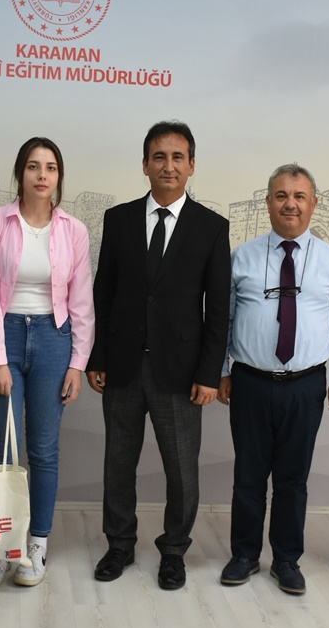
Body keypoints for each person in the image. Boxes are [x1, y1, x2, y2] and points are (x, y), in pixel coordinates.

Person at [86, 120, 230, 591]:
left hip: (182, 372)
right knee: (118, 463)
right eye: (159, 157)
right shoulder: (119, 219)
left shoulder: (212, 227)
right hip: (122, 365)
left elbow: (218, 310)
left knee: (182, 470)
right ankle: (119, 545)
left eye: (178, 157)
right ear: (145, 164)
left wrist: (210, 373)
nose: (169, 166)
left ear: (192, 165)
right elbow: (103, 293)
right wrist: (97, 357)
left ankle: (174, 551)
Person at [217, 164, 329, 594]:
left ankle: (286, 559)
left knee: (293, 480)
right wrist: (222, 371)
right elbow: (222, 322)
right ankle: (244, 555)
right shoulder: (242, 257)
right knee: (248, 476)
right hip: (250, 382)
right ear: (268, 202)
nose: (290, 204)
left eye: (299, 196)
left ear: (313, 203)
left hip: (305, 385)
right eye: (281, 196)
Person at [0, 137, 95, 587]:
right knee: (2, 450)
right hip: (4, 334)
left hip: (53, 338)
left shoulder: (74, 230)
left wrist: (78, 362)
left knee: (43, 450)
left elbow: (82, 301)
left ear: (59, 176)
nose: (42, 175)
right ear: (19, 174)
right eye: (33, 166)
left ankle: (36, 544)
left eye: (50, 167)